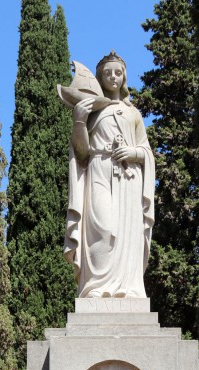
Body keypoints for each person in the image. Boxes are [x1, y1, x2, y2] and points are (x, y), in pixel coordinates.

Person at [64, 52, 155, 298]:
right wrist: (80, 121)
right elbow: (81, 154)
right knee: (101, 228)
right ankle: (95, 287)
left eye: (118, 72)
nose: (113, 76)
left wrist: (133, 152)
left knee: (127, 232)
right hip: (99, 172)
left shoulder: (133, 113)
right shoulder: (92, 109)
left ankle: (128, 289)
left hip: (129, 178)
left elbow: (146, 150)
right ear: (99, 78)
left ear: (124, 77)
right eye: (107, 73)